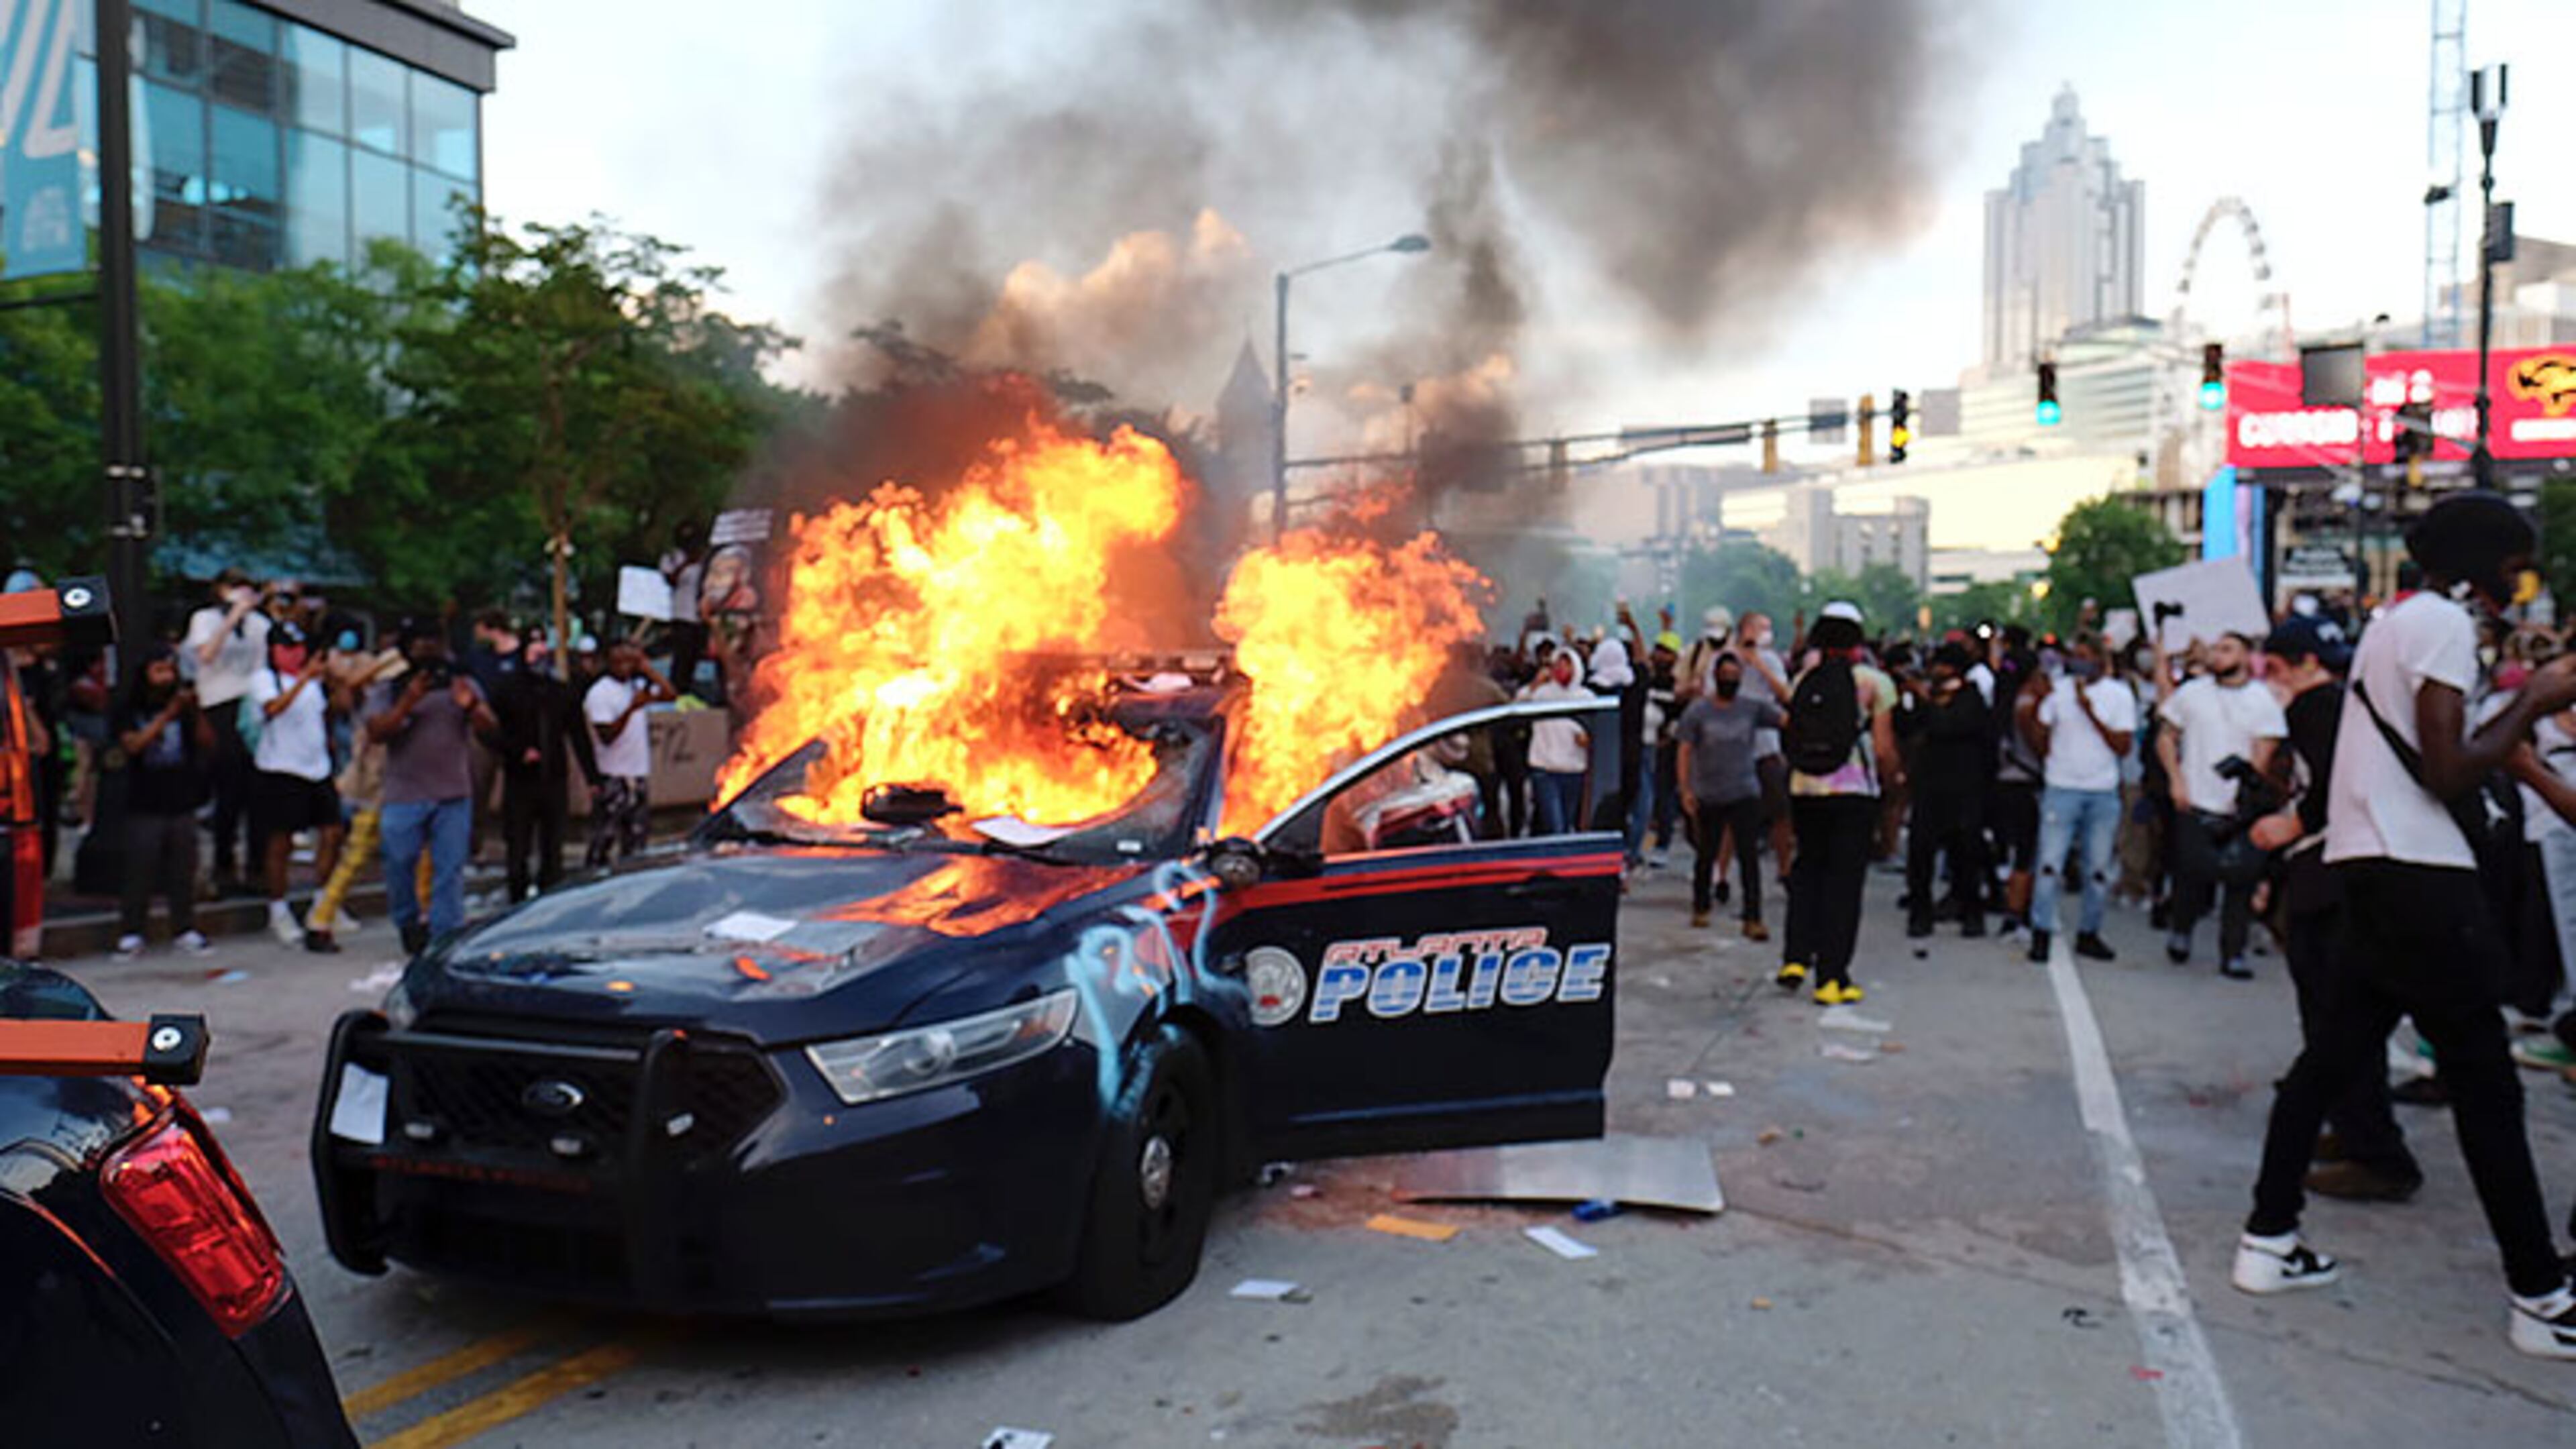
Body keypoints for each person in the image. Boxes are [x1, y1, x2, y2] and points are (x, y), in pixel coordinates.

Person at [2235, 491, 2576, 1360]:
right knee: (2487, 1088)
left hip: (2371, 867)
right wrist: (2534, 698)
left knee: (2328, 1064)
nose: (2517, 583)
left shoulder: (2397, 621)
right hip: (2421, 875)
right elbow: (2447, 767)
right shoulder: (2441, 626)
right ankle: (2540, 1297)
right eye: (2512, 567)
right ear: (2478, 563)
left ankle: (2268, 1243)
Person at [2239, 614, 2424, 1202]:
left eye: (2273, 668)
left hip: (2331, 878)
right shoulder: (2340, 708)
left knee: (2336, 1017)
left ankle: (2376, 1151)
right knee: (2336, 1017)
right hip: (2336, 874)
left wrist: (2289, 823)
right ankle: (2356, 1129)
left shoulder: (2316, 709)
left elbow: (2330, 793)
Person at [1779, 602, 1902, 1005]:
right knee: (1843, 884)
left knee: (1807, 871)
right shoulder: (1875, 683)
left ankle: (1795, 958)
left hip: (1805, 788)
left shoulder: (1803, 680)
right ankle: (1832, 977)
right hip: (1852, 793)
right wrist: (1891, 782)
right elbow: (1883, 748)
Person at [2155, 629, 2286, 978]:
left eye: (2227, 649)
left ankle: (2233, 952)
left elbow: (2265, 751)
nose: (2217, 655)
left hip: (2238, 808)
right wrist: (2176, 779)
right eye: (2215, 649)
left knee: (2240, 879)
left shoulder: (2262, 700)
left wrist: (2248, 794)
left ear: (2245, 657)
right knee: (2191, 872)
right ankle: (2181, 929)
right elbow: (2167, 736)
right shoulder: (2192, 694)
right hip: (2195, 797)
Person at [366, 623, 500, 955]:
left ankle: (445, 937)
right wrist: (407, 702)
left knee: (450, 871)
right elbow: (377, 732)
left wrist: (470, 706)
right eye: (420, 643)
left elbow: (490, 728)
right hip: (404, 795)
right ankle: (408, 922)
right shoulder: (391, 688)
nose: (428, 650)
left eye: (434, 643)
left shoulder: (461, 685)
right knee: (399, 863)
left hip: (453, 793)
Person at [2022, 633, 2138, 963]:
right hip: (2062, 786)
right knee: (2049, 864)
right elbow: (2039, 739)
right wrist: (2040, 707)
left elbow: (2123, 746)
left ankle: (2090, 931)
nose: (2079, 662)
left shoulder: (2118, 695)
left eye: (2086, 656)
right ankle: (2040, 931)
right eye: (2075, 655)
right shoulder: (2060, 691)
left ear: (2101, 660)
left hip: (2102, 791)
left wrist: (2089, 711)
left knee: (2097, 867)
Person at [246, 623, 347, 953]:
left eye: (300, 648)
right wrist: (304, 679)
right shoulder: (264, 680)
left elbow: (332, 711)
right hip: (281, 770)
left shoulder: (316, 683)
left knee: (332, 834)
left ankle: (324, 902)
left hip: (317, 769)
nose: (296, 654)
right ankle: (278, 908)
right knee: (281, 843)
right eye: (288, 648)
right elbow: (272, 709)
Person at [111, 646, 215, 959]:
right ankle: (132, 931)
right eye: (159, 671)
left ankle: (184, 927)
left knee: (183, 868)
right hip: (144, 800)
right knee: (140, 869)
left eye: (169, 671)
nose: (166, 678)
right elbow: (133, 745)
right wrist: (166, 717)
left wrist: (194, 712)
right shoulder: (129, 709)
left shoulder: (184, 709)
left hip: (181, 798)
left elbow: (208, 743)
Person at [1674, 651, 1782, 940]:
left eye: (1735, 676)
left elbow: (1785, 718)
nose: (1730, 681)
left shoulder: (1751, 708)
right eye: (1725, 675)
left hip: (1744, 790)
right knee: (1706, 854)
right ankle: (1701, 906)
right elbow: (1684, 750)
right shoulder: (1698, 712)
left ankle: (1753, 916)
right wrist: (1685, 789)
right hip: (1709, 793)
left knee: (1749, 857)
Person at [182, 569, 271, 895]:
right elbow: (205, 655)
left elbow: (264, 666)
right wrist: (232, 618)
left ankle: (257, 866)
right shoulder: (205, 619)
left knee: (258, 791)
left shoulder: (261, 625)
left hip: (252, 707)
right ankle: (223, 865)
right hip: (218, 704)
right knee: (228, 790)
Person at [1902, 643, 1990, 940]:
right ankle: (1920, 912)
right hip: (1929, 783)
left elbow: (1948, 726)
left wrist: (1926, 701)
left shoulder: (1971, 698)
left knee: (1965, 853)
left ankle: (1971, 911)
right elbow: (1910, 727)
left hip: (1963, 784)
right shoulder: (1929, 697)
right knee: (1921, 853)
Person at [584, 641, 675, 868]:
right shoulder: (600, 692)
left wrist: (648, 670)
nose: (625, 666)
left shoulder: (637, 685)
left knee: (636, 840)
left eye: (630, 661)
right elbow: (607, 735)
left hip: (638, 773)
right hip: (614, 776)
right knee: (604, 838)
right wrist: (631, 709)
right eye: (620, 661)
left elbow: (670, 694)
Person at [1517, 644, 1593, 835]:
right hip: (1545, 771)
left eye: (1567, 664)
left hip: (1573, 770)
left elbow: (1596, 732)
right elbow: (1519, 707)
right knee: (1554, 824)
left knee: (1566, 824)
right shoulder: (1543, 694)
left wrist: (1588, 739)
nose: (1561, 669)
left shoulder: (1586, 697)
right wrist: (1536, 683)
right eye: (1558, 664)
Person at [662, 521, 714, 704]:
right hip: (682, 614)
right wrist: (687, 563)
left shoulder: (706, 558)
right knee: (681, 657)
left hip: (701, 616)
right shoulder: (672, 557)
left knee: (696, 656)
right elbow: (671, 579)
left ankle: (690, 690)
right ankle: (677, 692)